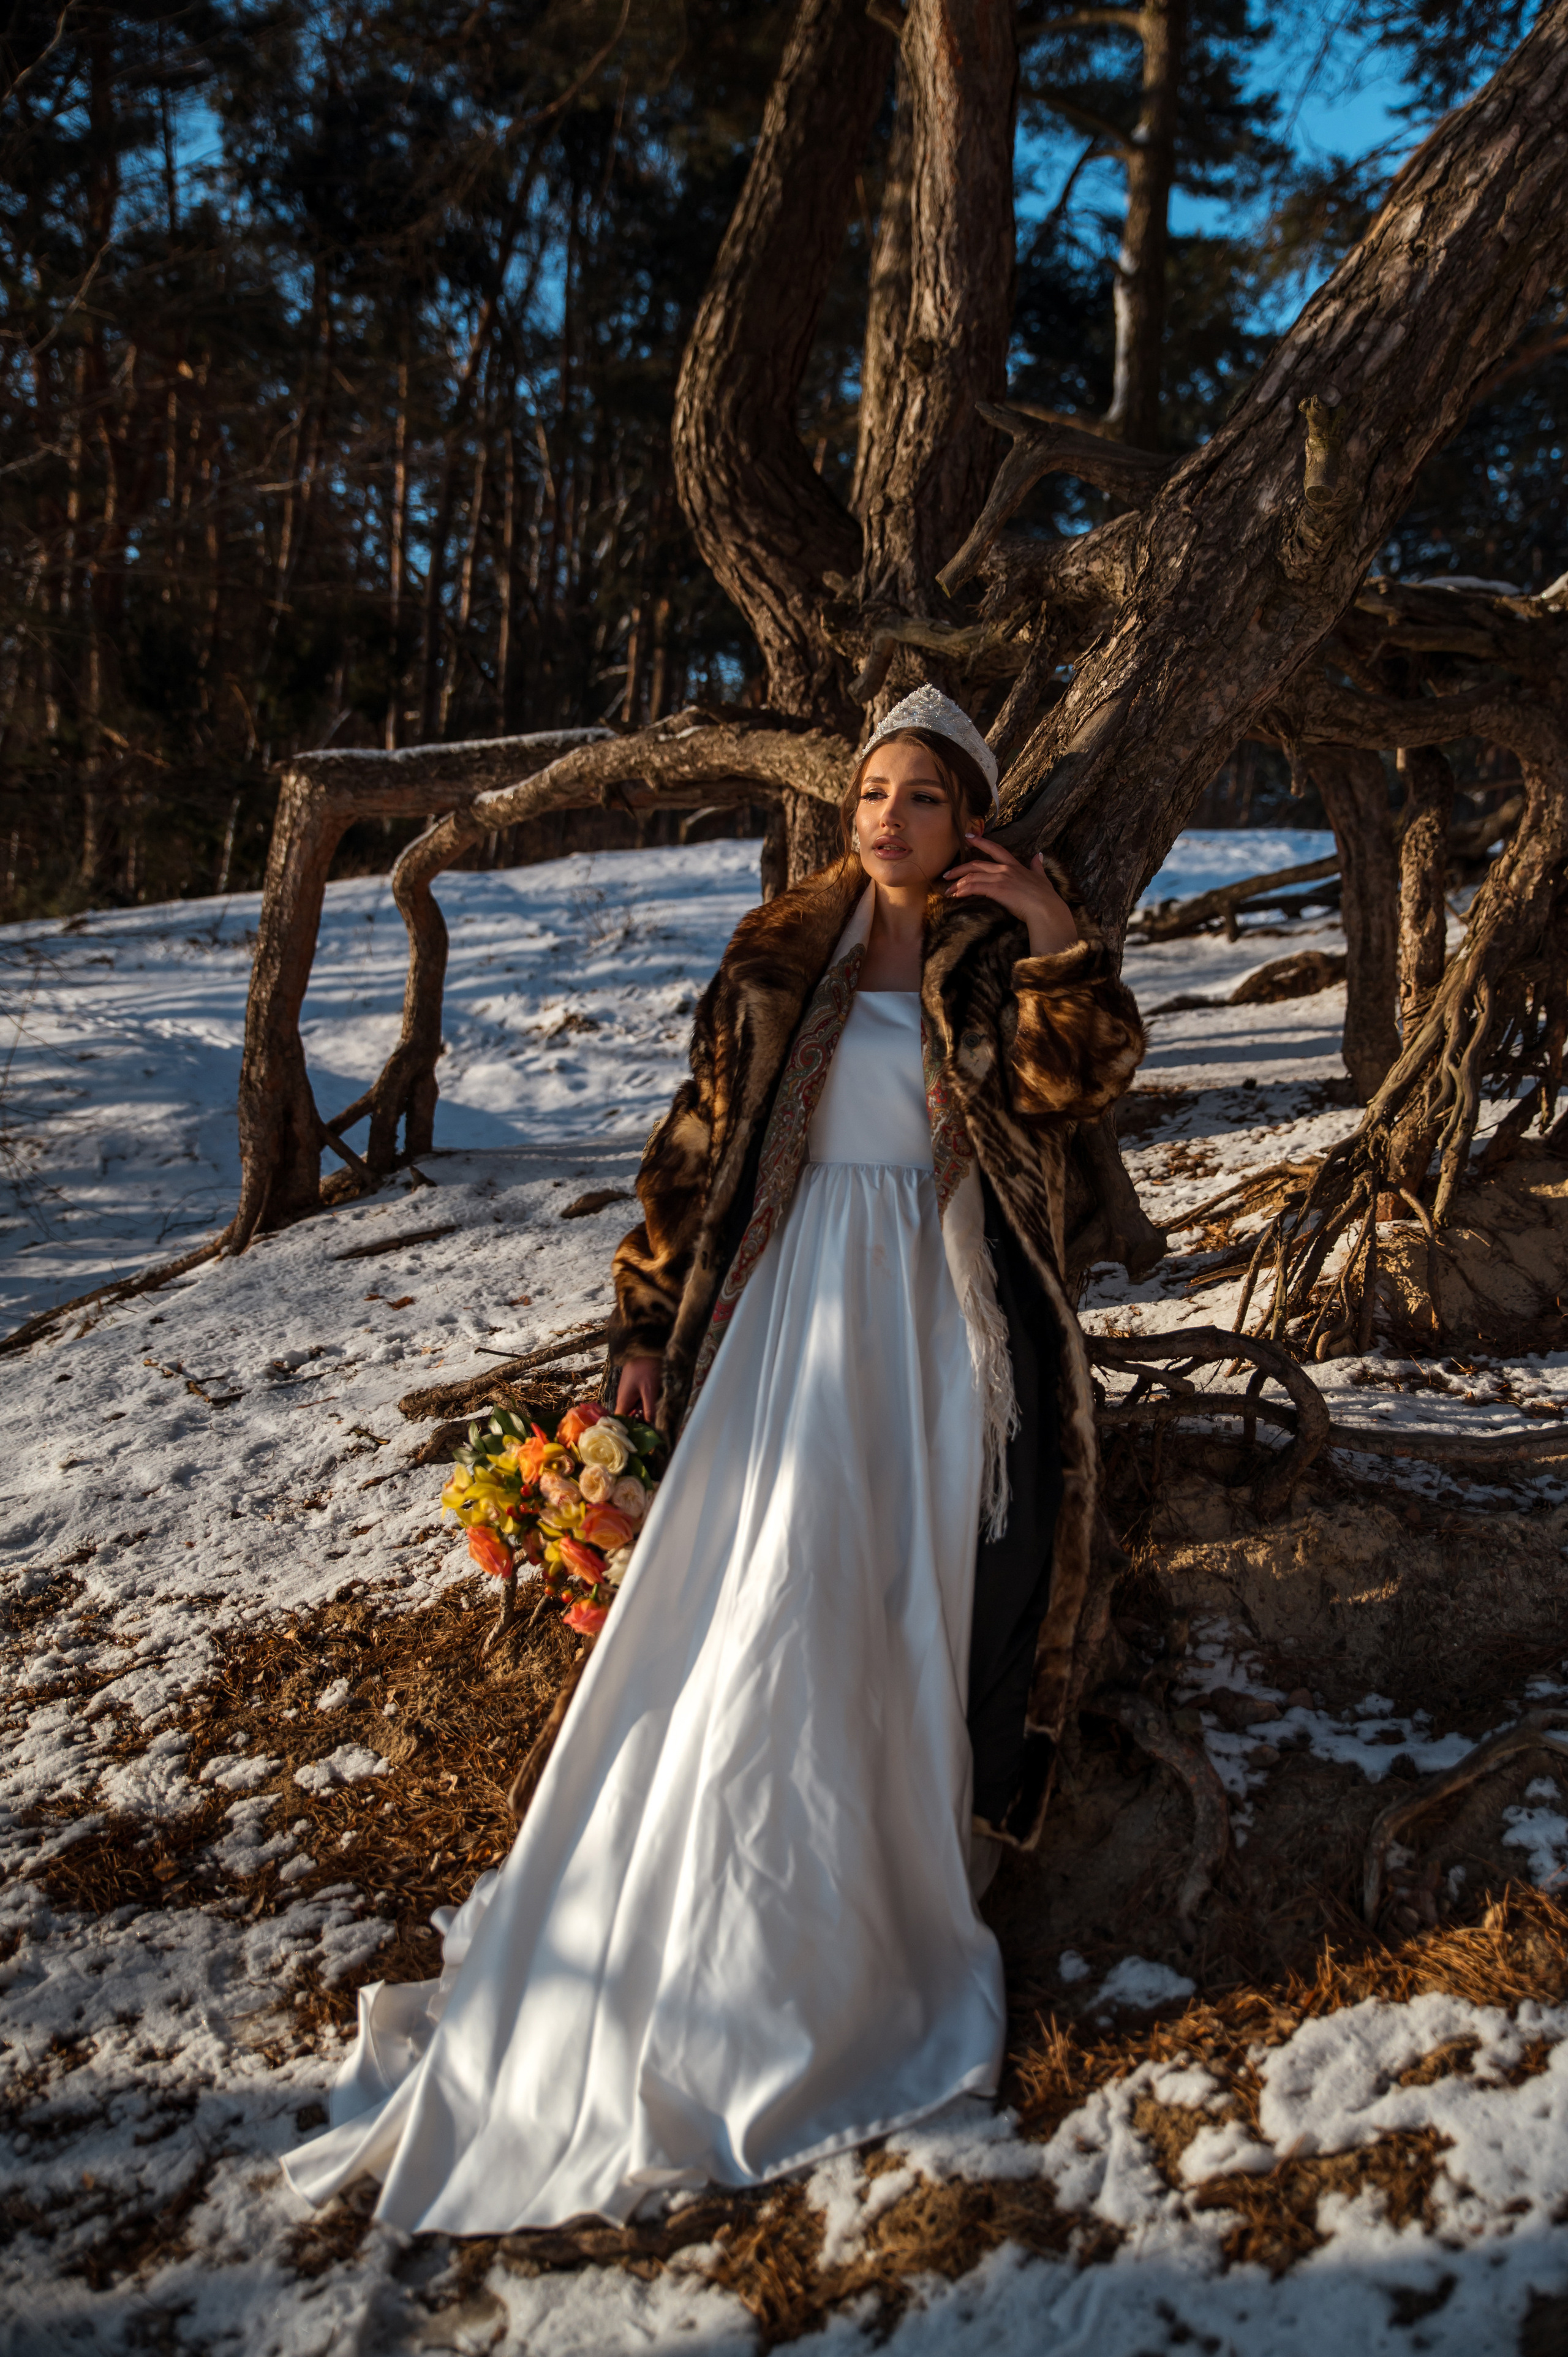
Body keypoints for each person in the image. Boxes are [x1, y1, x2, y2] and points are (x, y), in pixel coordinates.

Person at [282, 683, 1145, 2236]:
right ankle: (727, 1930)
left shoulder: (989, 951)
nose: (887, 818)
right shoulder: (774, 949)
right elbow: (691, 1144)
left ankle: (881, 1908)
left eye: (922, 800)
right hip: (793, 1303)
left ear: (967, 823)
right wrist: (642, 1315)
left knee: (915, 1590)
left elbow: (1072, 1087)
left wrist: (1053, 922)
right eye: (872, 793)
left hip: (942, 1310)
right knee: (776, 1583)